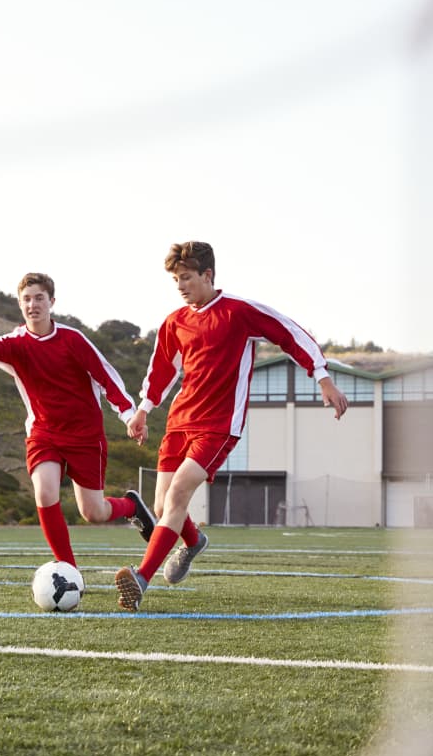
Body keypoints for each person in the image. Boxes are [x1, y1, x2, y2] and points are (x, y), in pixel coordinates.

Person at [118, 241, 348, 612]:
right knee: (162, 507)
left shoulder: (239, 312)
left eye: (187, 277)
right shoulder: (174, 322)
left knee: (177, 496)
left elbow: (291, 334)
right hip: (179, 422)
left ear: (208, 275)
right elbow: (162, 370)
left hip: (218, 425)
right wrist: (143, 409)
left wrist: (322, 377)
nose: (180, 285)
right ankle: (193, 543)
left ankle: (140, 579)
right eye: (176, 279)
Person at [0, 272, 157, 569]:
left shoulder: (73, 340)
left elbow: (106, 377)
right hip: (43, 433)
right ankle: (69, 570)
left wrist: (128, 415)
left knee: (93, 512)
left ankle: (131, 506)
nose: (32, 304)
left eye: (39, 298)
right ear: (20, 305)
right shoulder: (16, 343)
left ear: (52, 302)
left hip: (85, 436)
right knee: (45, 492)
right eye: (26, 299)